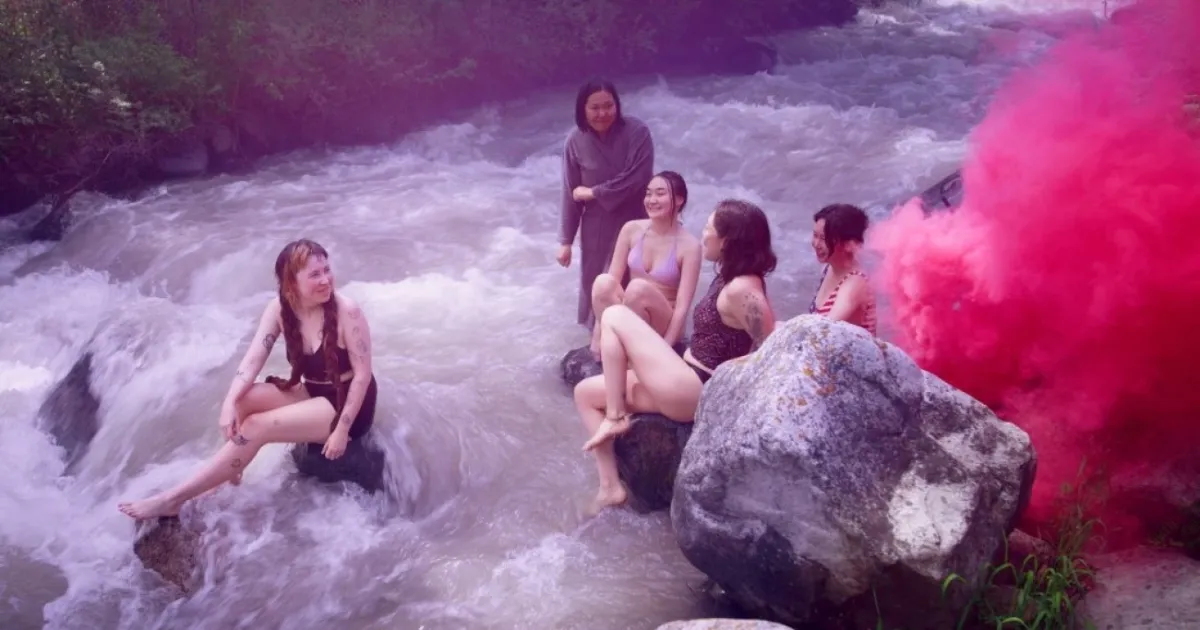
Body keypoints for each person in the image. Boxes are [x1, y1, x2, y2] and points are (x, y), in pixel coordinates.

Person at [118, 239, 379, 519]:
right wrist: (230, 402)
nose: (326, 280)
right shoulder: (280, 309)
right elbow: (254, 358)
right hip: (313, 390)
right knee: (244, 402)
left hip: (349, 403)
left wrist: (341, 431)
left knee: (256, 426)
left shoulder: (347, 311)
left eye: (327, 270)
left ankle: (173, 499)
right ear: (291, 283)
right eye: (315, 274)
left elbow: (363, 376)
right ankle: (229, 475)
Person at [574, 199, 777, 512]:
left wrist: (726, 376)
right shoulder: (730, 276)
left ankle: (615, 417)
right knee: (585, 393)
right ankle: (610, 487)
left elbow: (771, 350)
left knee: (614, 315)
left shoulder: (743, 289)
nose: (703, 234)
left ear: (727, 241)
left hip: (696, 388)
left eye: (709, 228)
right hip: (683, 375)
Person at [556, 78, 656, 332]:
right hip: (597, 224)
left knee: (637, 281)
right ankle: (599, 339)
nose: (603, 113)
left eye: (608, 106)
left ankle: (644, 335)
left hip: (637, 219)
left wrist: (594, 192)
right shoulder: (575, 141)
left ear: (617, 105)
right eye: (595, 108)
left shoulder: (637, 132)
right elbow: (571, 193)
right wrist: (565, 241)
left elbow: (638, 178)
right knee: (597, 281)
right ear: (583, 109)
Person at [588, 170, 702, 357]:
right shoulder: (631, 229)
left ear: (679, 200)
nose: (651, 200)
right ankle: (606, 345)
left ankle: (635, 353)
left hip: (662, 321)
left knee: (637, 288)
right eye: (648, 193)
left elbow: (682, 307)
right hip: (631, 311)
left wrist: (665, 350)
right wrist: (597, 340)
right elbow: (612, 283)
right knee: (603, 282)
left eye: (660, 193)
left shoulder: (690, 246)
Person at [808, 203, 877, 335]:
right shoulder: (828, 269)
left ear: (849, 244)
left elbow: (825, 330)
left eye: (823, 238)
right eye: (815, 235)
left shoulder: (855, 284)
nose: (816, 244)